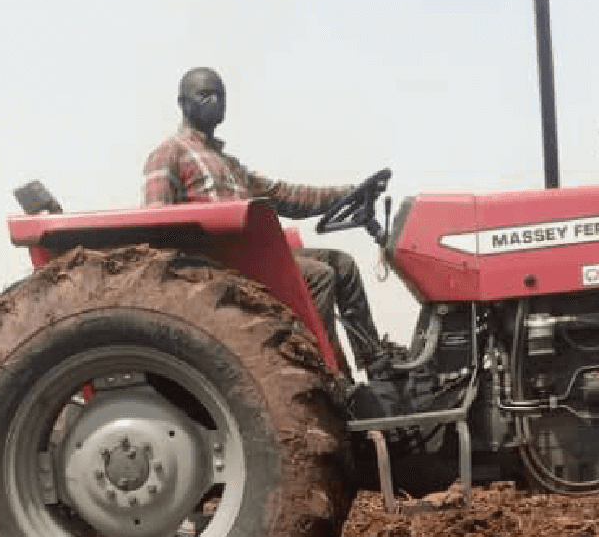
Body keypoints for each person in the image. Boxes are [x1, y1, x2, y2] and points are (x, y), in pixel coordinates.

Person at [142, 66, 404, 377]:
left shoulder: (228, 164)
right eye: (204, 95)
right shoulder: (168, 154)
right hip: (220, 265)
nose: (215, 101)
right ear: (183, 103)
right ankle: (325, 370)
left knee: (342, 264)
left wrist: (346, 194)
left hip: (255, 257)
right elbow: (156, 224)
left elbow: (283, 195)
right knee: (318, 276)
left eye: (220, 95)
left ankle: (377, 365)